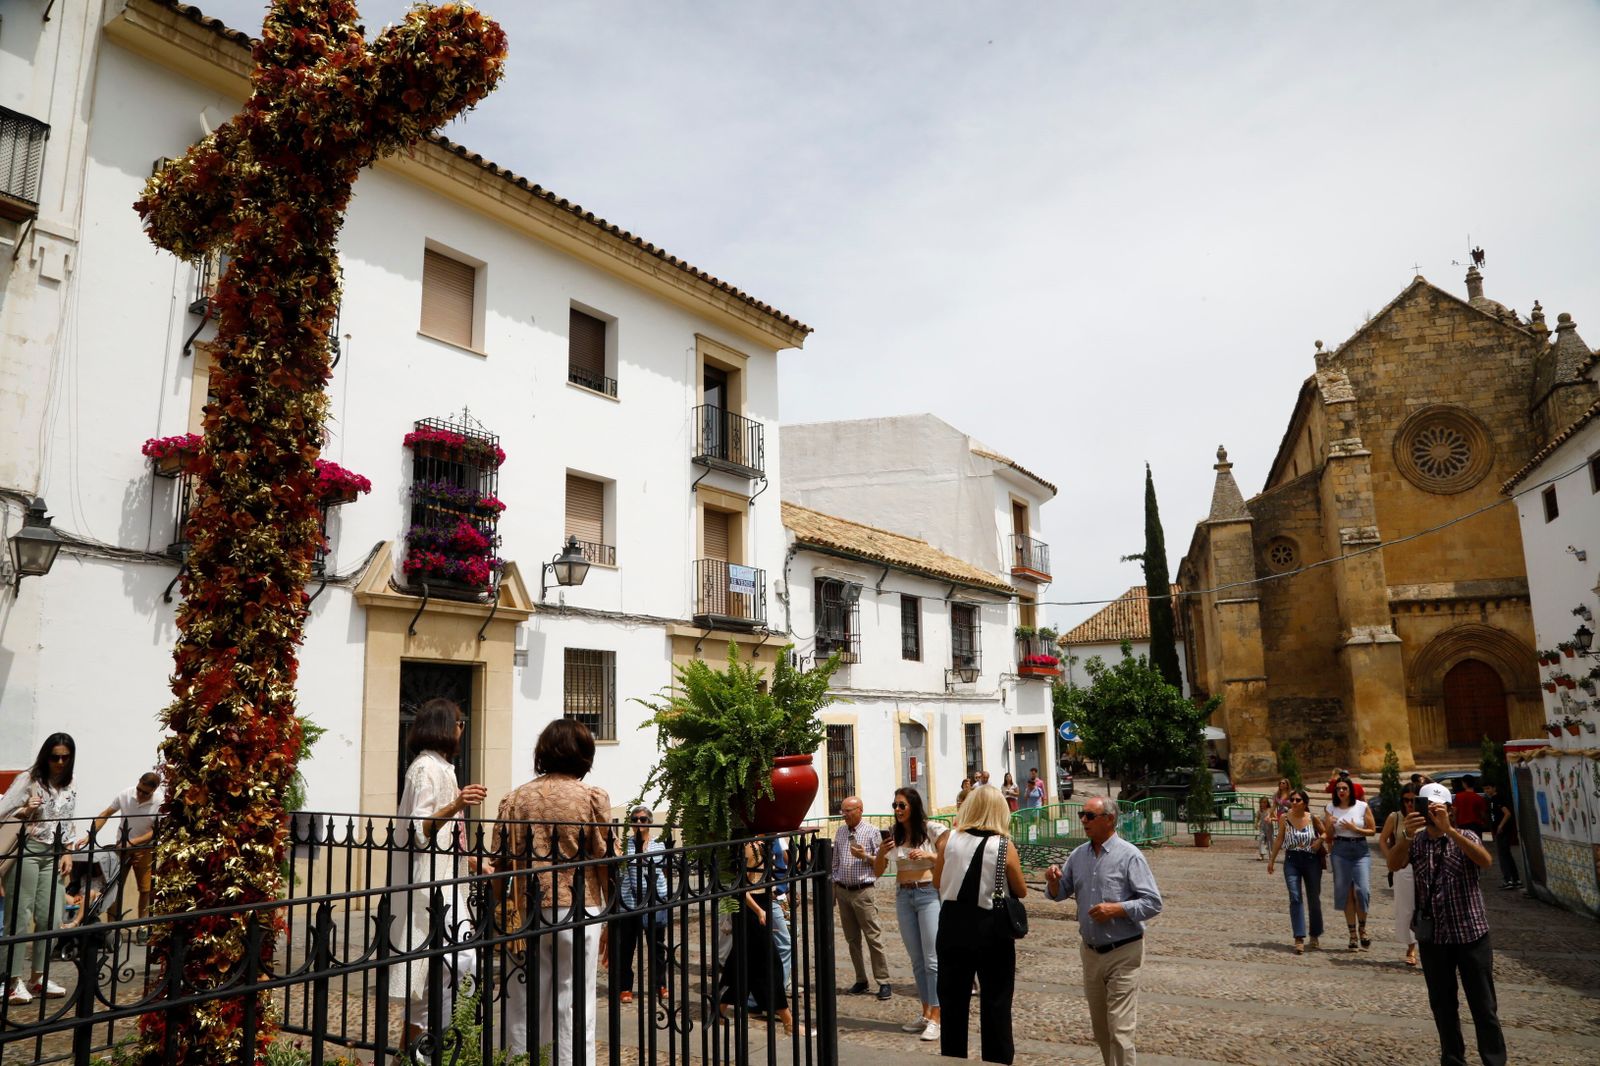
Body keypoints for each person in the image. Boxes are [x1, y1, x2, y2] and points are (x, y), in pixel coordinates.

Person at [495, 720, 612, 1066]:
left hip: (526, 907)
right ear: (584, 754)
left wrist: (499, 910)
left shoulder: (515, 798)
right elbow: (605, 858)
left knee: (523, 998)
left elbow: (500, 862)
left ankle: (520, 1061)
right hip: (579, 907)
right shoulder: (591, 797)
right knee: (575, 999)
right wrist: (612, 916)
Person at [392, 699, 489, 1057]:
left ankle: (422, 1049)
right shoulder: (424, 769)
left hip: (450, 879)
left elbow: (450, 838)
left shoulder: (444, 768)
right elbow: (421, 830)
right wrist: (458, 803)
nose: (462, 730)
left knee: (450, 964)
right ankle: (421, 1050)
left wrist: (477, 865)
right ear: (445, 726)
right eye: (459, 723)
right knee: (449, 962)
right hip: (430, 884)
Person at [1390, 782, 1506, 1066]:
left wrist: (1451, 830)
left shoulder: (1464, 835)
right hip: (1434, 938)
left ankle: (1494, 1060)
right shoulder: (1416, 842)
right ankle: (1453, 1059)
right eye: (1426, 807)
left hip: (1470, 935)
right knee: (1443, 1006)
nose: (1431, 813)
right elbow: (1393, 864)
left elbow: (1486, 861)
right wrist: (1405, 834)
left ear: (1450, 810)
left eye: (1437, 808)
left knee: (1484, 1006)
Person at [1045, 795, 1162, 1066]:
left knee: (1120, 1030)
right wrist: (1053, 881)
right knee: (1101, 1029)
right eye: (1081, 815)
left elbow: (1153, 902)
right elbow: (1061, 893)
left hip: (1124, 952)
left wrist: (1117, 909)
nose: (1083, 821)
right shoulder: (1078, 855)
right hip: (1091, 953)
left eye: (1089, 816)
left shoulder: (1130, 855)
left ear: (1109, 819)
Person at [933, 785, 1026, 1064]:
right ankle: (997, 1059)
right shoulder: (1003, 845)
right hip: (990, 927)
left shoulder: (949, 840)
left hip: (951, 924)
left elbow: (937, 881)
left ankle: (953, 1057)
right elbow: (1020, 889)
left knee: (952, 1003)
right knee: (996, 1001)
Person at [1, 733, 80, 1005]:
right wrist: (24, 809)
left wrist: (68, 851)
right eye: (54, 756)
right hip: (28, 849)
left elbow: (68, 821)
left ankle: (38, 977)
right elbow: (2, 810)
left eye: (65, 757)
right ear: (45, 756)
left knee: (50, 915)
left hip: (54, 853)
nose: (59, 762)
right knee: (19, 915)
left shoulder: (70, 786)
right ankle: (10, 981)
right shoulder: (29, 779)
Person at [873, 787, 946, 1042]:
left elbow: (949, 857)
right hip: (904, 896)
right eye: (894, 806)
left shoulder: (932, 829)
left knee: (932, 959)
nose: (897, 810)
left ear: (913, 806)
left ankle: (937, 1016)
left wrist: (927, 855)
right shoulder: (895, 834)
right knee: (916, 959)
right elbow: (878, 871)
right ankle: (926, 1012)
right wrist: (882, 851)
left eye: (902, 805)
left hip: (927, 894)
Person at [717, 839, 803, 1035]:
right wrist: (759, 912)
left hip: (760, 906)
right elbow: (741, 888)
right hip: (752, 911)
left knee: (740, 965)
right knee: (771, 965)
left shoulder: (765, 843)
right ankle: (788, 1022)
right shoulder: (751, 846)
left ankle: (718, 1011)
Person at [831, 796, 891, 1000]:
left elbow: (883, 863)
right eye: (843, 811)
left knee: (873, 936)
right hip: (843, 890)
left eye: (848, 811)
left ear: (860, 810)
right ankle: (861, 979)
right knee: (852, 939)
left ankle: (883, 981)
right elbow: (835, 864)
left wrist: (865, 856)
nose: (845, 815)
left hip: (863, 890)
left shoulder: (872, 832)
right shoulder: (840, 832)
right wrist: (834, 891)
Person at [90, 771, 162, 929]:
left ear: (155, 790)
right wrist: (92, 835)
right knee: (113, 888)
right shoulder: (126, 794)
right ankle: (112, 927)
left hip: (145, 849)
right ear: (138, 782)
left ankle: (142, 926)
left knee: (145, 889)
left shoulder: (160, 801)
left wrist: (132, 841)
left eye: (146, 793)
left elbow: (156, 831)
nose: (141, 794)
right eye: (139, 789)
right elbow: (107, 813)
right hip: (122, 847)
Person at [613, 806, 669, 1005]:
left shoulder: (659, 845)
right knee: (627, 947)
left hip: (654, 901)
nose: (639, 823)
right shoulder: (624, 845)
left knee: (657, 947)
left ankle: (660, 984)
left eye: (643, 819)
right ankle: (625, 987)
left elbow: (664, 871)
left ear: (650, 822)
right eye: (635, 819)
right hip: (629, 902)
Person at [1267, 789, 1324, 954]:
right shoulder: (1284, 818)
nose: (1294, 802)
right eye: (1292, 799)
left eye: (1298, 800)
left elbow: (1326, 832)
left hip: (1311, 861)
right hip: (1292, 861)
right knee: (1295, 897)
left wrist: (1319, 840)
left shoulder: (1313, 818)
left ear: (1305, 803)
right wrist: (1271, 860)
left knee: (1313, 899)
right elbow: (1279, 839)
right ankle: (1299, 937)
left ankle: (1314, 934)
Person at [1324, 776, 1375, 951]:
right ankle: (1352, 934)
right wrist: (1329, 825)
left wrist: (1356, 829)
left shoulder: (1362, 806)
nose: (1341, 791)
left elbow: (1372, 830)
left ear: (1350, 790)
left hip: (1360, 850)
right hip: (1341, 850)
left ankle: (1363, 928)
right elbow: (1329, 834)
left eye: (1344, 788)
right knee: (1346, 893)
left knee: (1362, 890)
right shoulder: (1331, 808)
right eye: (1338, 789)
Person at [1379, 784, 1421, 967]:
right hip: (1403, 869)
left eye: (1413, 800)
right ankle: (1411, 947)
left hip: (1425, 868)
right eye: (1406, 800)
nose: (1410, 804)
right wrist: (1391, 858)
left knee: (1426, 908)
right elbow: (1382, 839)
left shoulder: (1426, 818)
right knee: (1406, 909)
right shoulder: (1395, 817)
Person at [1483, 782, 1521, 890]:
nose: (1486, 791)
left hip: (1503, 831)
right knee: (1506, 854)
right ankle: (1515, 879)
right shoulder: (1490, 800)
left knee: (1503, 855)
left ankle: (1508, 879)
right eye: (1485, 789)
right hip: (1497, 830)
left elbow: (1507, 813)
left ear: (1494, 788)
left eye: (1488, 788)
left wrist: (1500, 825)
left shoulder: (1498, 798)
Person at [1255, 796, 1275, 861]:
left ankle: (1271, 855)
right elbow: (1257, 818)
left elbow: (1276, 817)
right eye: (1261, 802)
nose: (1263, 804)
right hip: (1262, 827)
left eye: (1264, 802)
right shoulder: (1260, 811)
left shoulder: (1270, 810)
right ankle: (1261, 855)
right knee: (1261, 839)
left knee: (1270, 841)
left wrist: (1271, 819)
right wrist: (1256, 824)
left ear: (1267, 803)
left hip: (1269, 827)